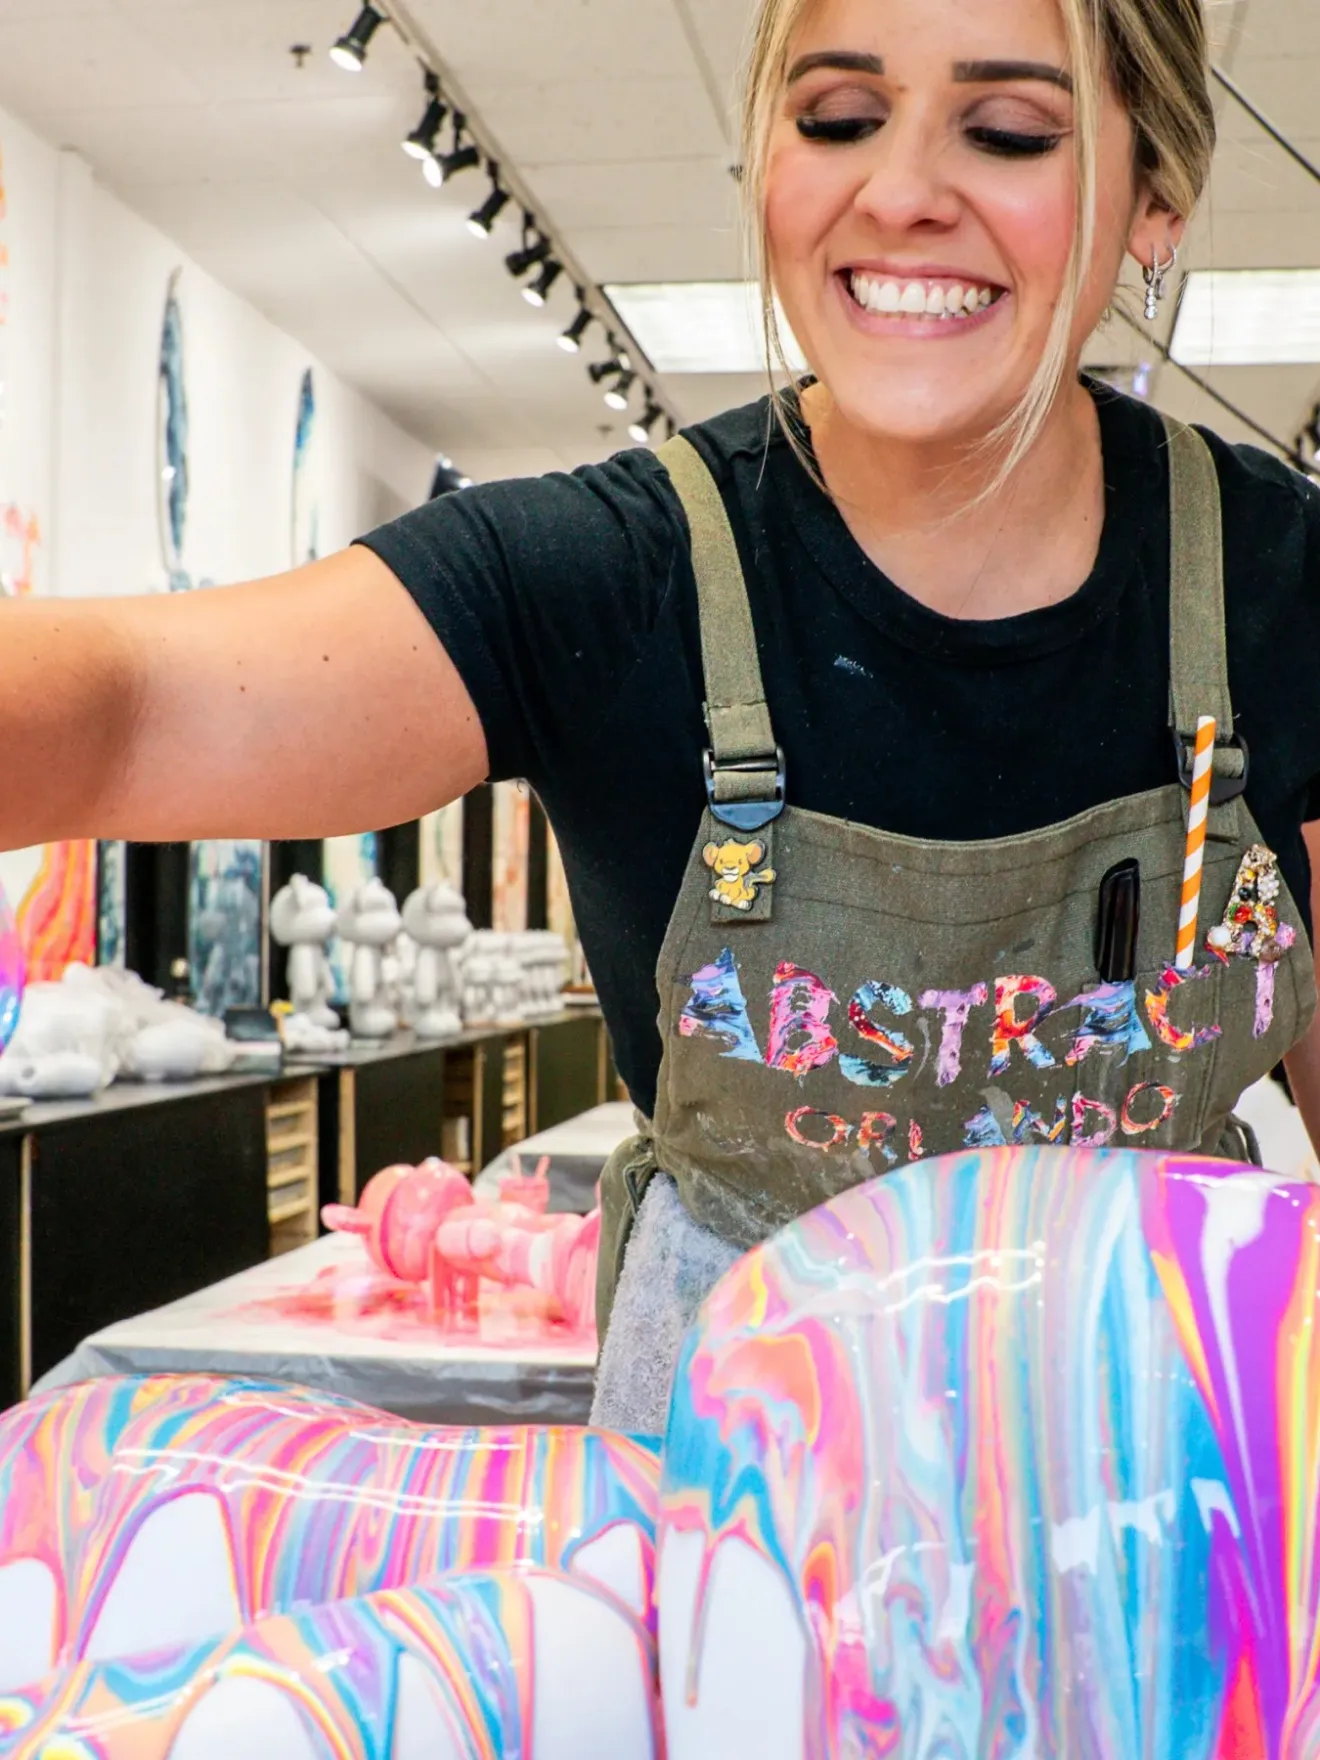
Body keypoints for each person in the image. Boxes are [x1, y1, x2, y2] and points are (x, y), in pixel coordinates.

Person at [3, 0, 1319, 1433]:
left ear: (1156, 195)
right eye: (836, 117)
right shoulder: (608, 583)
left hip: (1169, 1542)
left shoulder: (1279, 588)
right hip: (724, 1564)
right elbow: (128, 708)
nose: (899, 191)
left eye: (1007, 130)